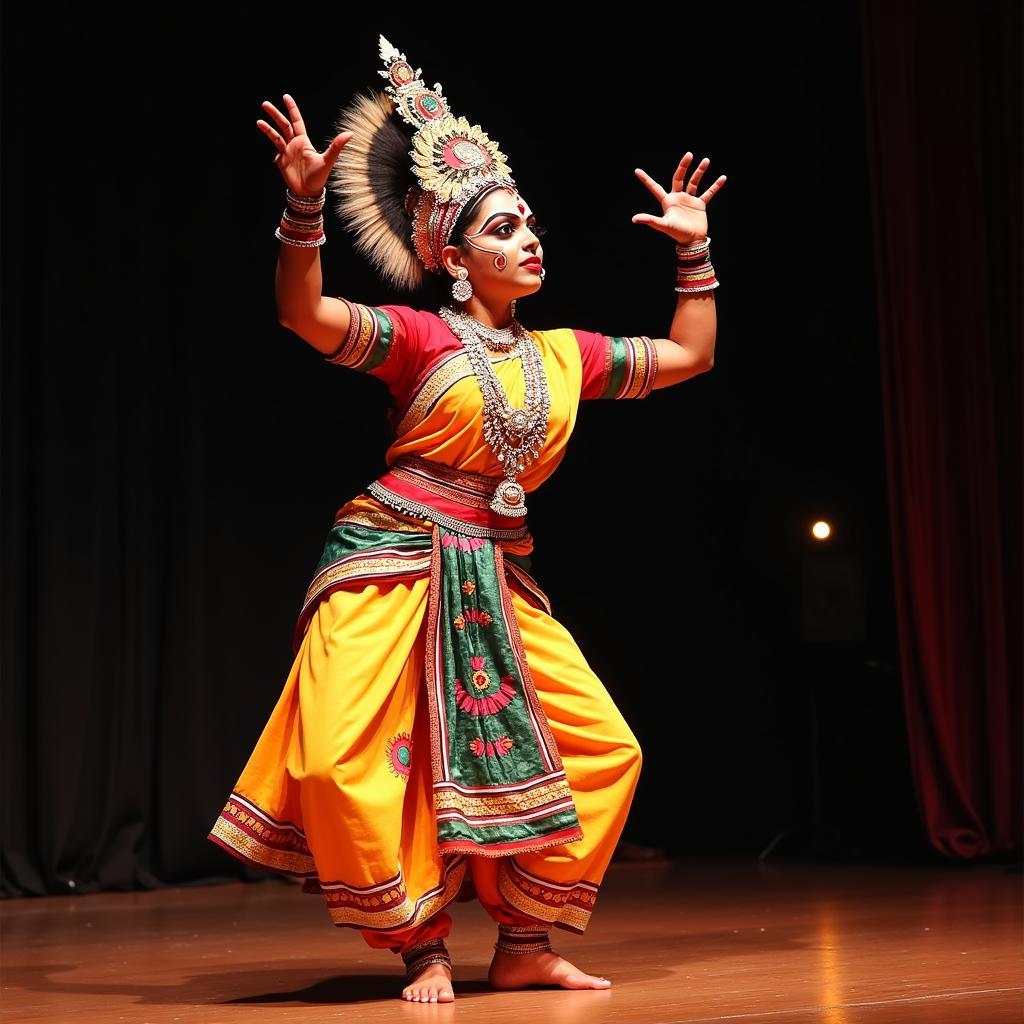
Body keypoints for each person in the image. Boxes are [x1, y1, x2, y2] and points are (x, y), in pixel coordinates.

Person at [207, 34, 726, 1005]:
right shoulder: (416, 339)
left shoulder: (569, 352)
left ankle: (526, 941)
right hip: (391, 558)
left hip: (496, 569)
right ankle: (421, 943)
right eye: (500, 228)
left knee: (605, 747)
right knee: (351, 758)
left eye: (528, 221)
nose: (528, 236)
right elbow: (303, 314)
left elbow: (689, 356)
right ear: (452, 257)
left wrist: (693, 249)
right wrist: (304, 204)